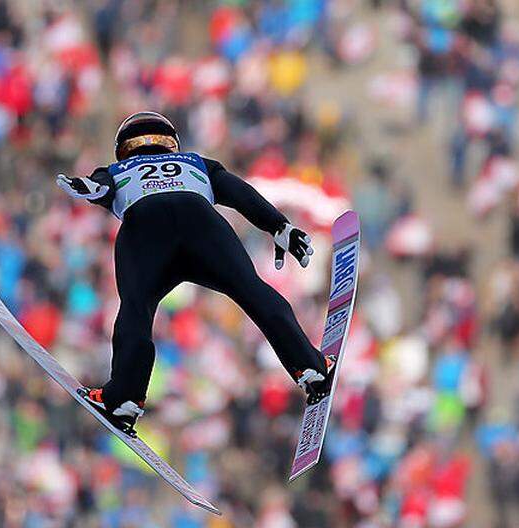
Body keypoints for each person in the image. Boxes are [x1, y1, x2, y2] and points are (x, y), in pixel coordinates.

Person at [55, 111, 334, 434]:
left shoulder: (116, 170)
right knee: (252, 290)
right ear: (171, 141)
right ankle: (310, 367)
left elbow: (100, 187)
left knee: (136, 310)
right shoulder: (196, 162)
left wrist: (88, 187)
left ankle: (124, 399)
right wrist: (279, 227)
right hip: (202, 226)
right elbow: (240, 193)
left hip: (146, 229)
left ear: (123, 147)